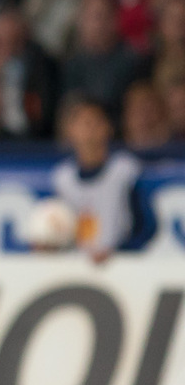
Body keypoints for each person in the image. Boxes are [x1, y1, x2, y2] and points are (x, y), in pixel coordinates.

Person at [52, 97, 144, 263]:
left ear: (108, 127)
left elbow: (146, 224)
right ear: (70, 130)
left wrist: (121, 252)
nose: (90, 130)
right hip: (75, 266)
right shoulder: (62, 178)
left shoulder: (124, 171)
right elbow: (59, 226)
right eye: (84, 123)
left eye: (96, 122)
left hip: (121, 264)